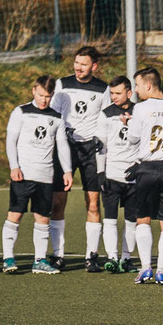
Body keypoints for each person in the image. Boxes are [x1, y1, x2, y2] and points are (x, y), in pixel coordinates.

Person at [2, 74, 72, 275]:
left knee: (43, 218)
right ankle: (8, 258)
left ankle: (39, 261)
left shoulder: (56, 117)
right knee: (15, 214)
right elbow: (11, 141)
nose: (44, 100)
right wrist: (14, 166)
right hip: (23, 174)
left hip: (45, 176)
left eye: (48, 96)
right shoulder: (21, 112)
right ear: (34, 91)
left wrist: (67, 170)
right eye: (41, 95)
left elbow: (62, 145)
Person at [49, 46, 110, 271]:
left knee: (93, 202)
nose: (78, 67)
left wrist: (101, 140)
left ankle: (91, 256)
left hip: (91, 151)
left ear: (94, 66)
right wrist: (58, 136)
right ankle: (58, 255)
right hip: (65, 148)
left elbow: (106, 120)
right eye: (76, 63)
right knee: (57, 202)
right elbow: (53, 115)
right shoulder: (62, 85)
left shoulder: (103, 89)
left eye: (83, 64)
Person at [126, 65, 163, 284]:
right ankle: (161, 270)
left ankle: (145, 269)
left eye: (138, 86)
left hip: (148, 168)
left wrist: (129, 123)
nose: (136, 91)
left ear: (149, 85)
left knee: (142, 218)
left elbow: (133, 139)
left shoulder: (141, 109)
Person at [99, 76, 138, 273]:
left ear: (129, 93)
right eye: (111, 93)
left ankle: (126, 259)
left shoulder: (140, 112)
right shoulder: (105, 114)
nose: (113, 97)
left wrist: (139, 166)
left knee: (132, 220)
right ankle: (112, 258)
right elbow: (100, 146)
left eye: (118, 93)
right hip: (112, 175)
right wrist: (100, 173)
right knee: (110, 219)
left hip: (134, 178)